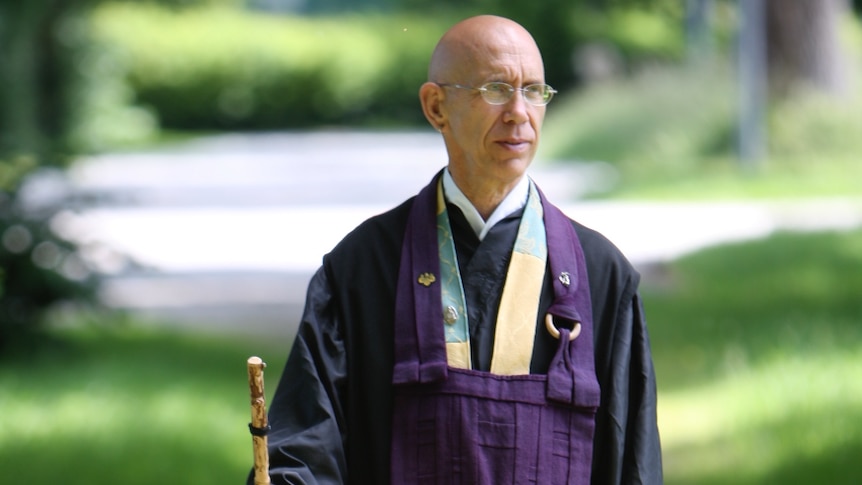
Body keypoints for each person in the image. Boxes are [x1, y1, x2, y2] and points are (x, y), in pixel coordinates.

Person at [251, 15, 662, 484]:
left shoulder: (599, 274)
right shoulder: (363, 268)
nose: (518, 113)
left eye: (533, 91)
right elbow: (306, 443)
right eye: (495, 89)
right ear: (436, 106)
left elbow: (634, 461)